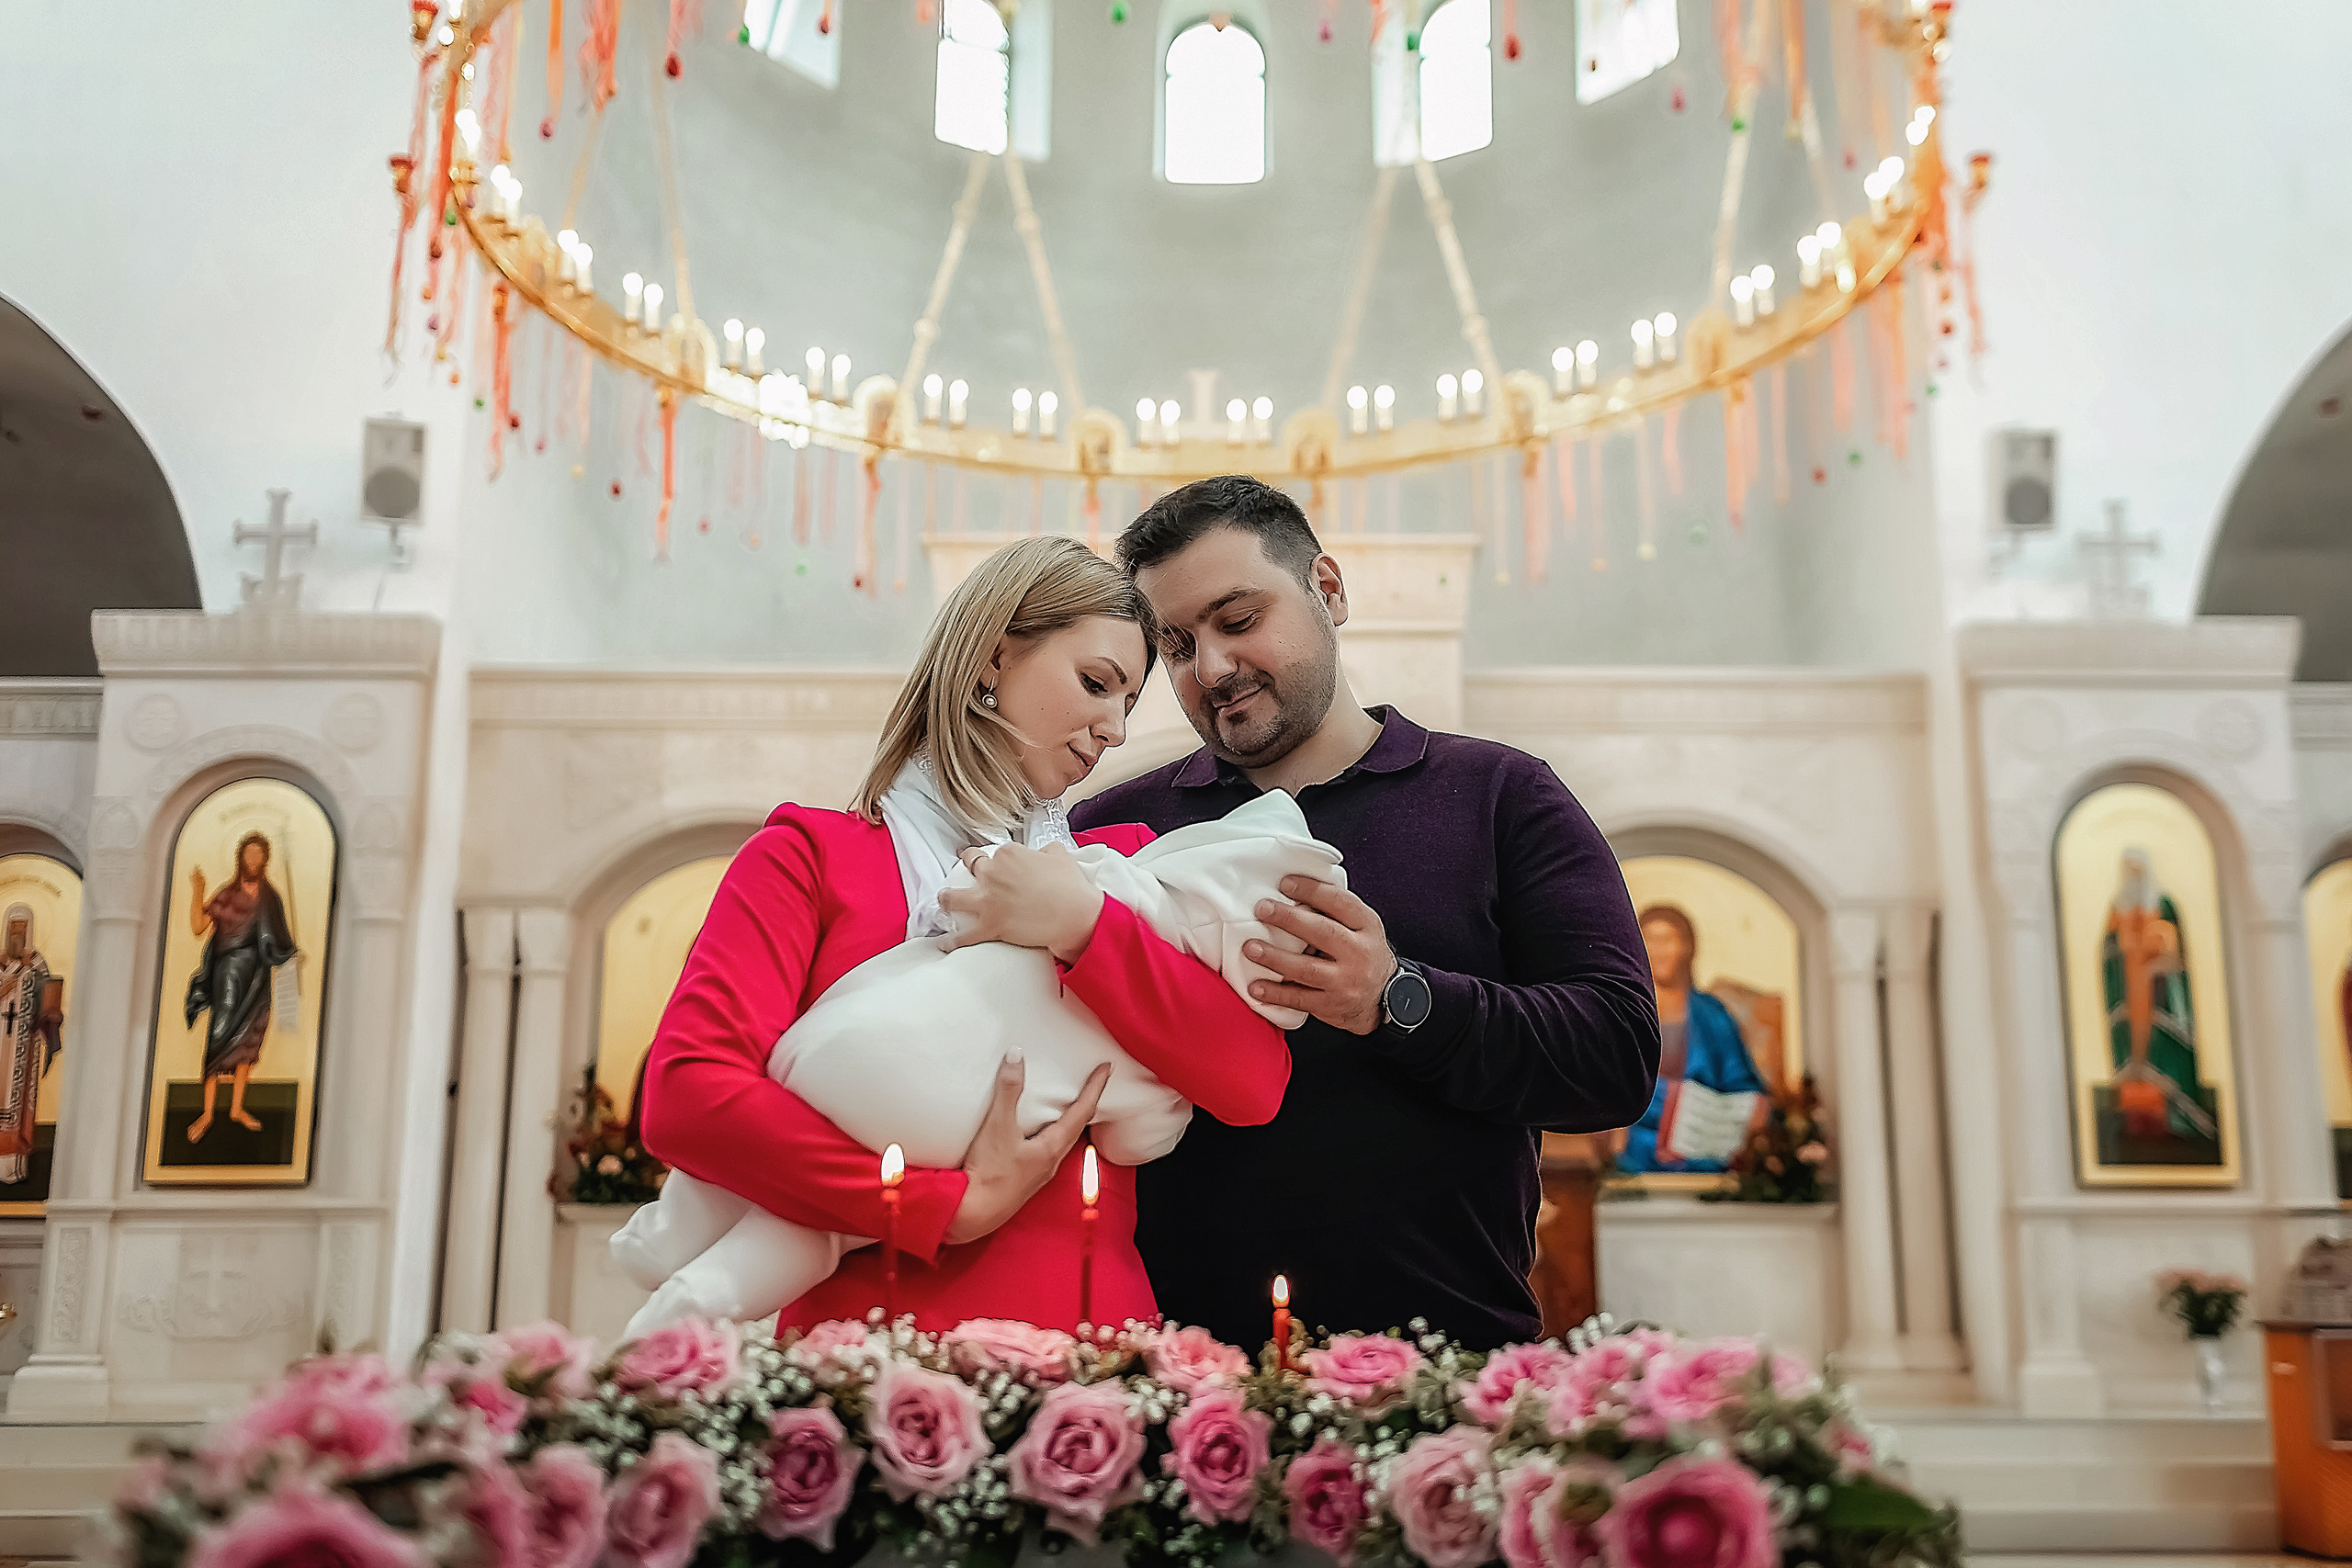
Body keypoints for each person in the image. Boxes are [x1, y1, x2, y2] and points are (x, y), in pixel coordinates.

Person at [637, 536, 1293, 1334]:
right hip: (860, 1357)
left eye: (1128, 702)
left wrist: (1081, 926)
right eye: (1096, 684)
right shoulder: (810, 856)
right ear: (991, 658)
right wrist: (939, 1205)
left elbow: (1253, 1082)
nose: (1115, 729)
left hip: (1092, 1352)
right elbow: (688, 1096)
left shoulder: (1117, 869)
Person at [1072, 475, 1659, 1349]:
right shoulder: (1114, 830)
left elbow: (1615, 1056)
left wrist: (1395, 997)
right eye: (1180, 645)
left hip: (1443, 1363)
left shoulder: (1501, 795)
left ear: (1328, 589)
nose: (1213, 668)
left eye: (1239, 619)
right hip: (1171, 1372)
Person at [1612, 904, 1770, 1174]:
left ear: (1686, 948)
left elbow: (1741, 1084)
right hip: (1633, 1151)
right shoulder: (1621, 1014)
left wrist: (1748, 1109)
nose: (1659, 950)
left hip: (1702, 1153)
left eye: (1668, 940)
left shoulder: (1713, 1016)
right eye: (1649, 940)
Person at [185, 831, 296, 1144]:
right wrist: (198, 890)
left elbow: (279, 938)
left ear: (265, 860)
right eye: (249, 854)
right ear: (240, 859)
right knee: (219, 1037)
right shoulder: (227, 895)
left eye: (259, 855)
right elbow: (198, 927)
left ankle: (236, 1109)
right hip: (227, 976)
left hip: (257, 977)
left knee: (249, 1038)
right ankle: (207, 1113)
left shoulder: (271, 899)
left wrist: (290, 953)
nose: (253, 860)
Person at [0, 906, 63, 1186]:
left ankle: (12, 1166)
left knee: (17, 1102)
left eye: (22, 927)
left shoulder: (37, 965)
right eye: (13, 926)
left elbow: (48, 1002)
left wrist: (50, 1013)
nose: (17, 932)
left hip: (22, 1046)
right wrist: (6, 987)